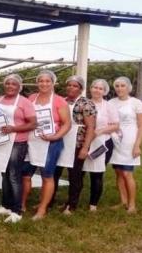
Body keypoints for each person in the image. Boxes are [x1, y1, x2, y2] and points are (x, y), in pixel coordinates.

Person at [21, 70, 71, 220]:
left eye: (47, 81)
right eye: (41, 81)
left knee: (47, 176)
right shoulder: (31, 98)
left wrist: (55, 136)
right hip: (31, 141)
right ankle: (21, 204)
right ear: (37, 83)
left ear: (53, 83)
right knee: (25, 175)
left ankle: (42, 209)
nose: (44, 84)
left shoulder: (59, 101)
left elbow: (67, 124)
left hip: (50, 143)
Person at [0, 74, 37, 223]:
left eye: (14, 84)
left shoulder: (24, 102)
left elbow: (33, 124)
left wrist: (14, 128)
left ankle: (17, 210)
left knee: (14, 176)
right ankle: (5, 205)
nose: (10, 86)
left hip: (17, 142)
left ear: (19, 87)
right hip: (1, 141)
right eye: (8, 83)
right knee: (4, 174)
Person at [54, 76, 96, 215]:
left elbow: (91, 127)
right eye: (69, 85)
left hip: (77, 143)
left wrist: (85, 147)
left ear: (81, 88)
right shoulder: (62, 101)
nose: (71, 88)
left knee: (75, 175)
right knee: (55, 172)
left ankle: (71, 204)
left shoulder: (87, 104)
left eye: (75, 86)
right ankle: (49, 200)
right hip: (60, 141)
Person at [109, 76, 142, 214]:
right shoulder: (111, 102)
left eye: (122, 85)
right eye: (117, 85)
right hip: (115, 140)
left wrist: (137, 145)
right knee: (118, 172)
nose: (119, 88)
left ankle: (132, 205)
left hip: (130, 141)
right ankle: (123, 200)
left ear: (129, 87)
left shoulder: (136, 103)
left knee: (127, 173)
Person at [83, 79, 119, 211]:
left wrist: (99, 131)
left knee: (96, 173)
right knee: (79, 173)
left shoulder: (108, 106)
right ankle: (72, 201)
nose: (97, 90)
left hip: (102, 143)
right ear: (90, 89)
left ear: (104, 91)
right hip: (83, 142)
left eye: (100, 88)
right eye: (95, 87)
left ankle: (93, 204)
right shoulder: (84, 103)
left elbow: (116, 125)